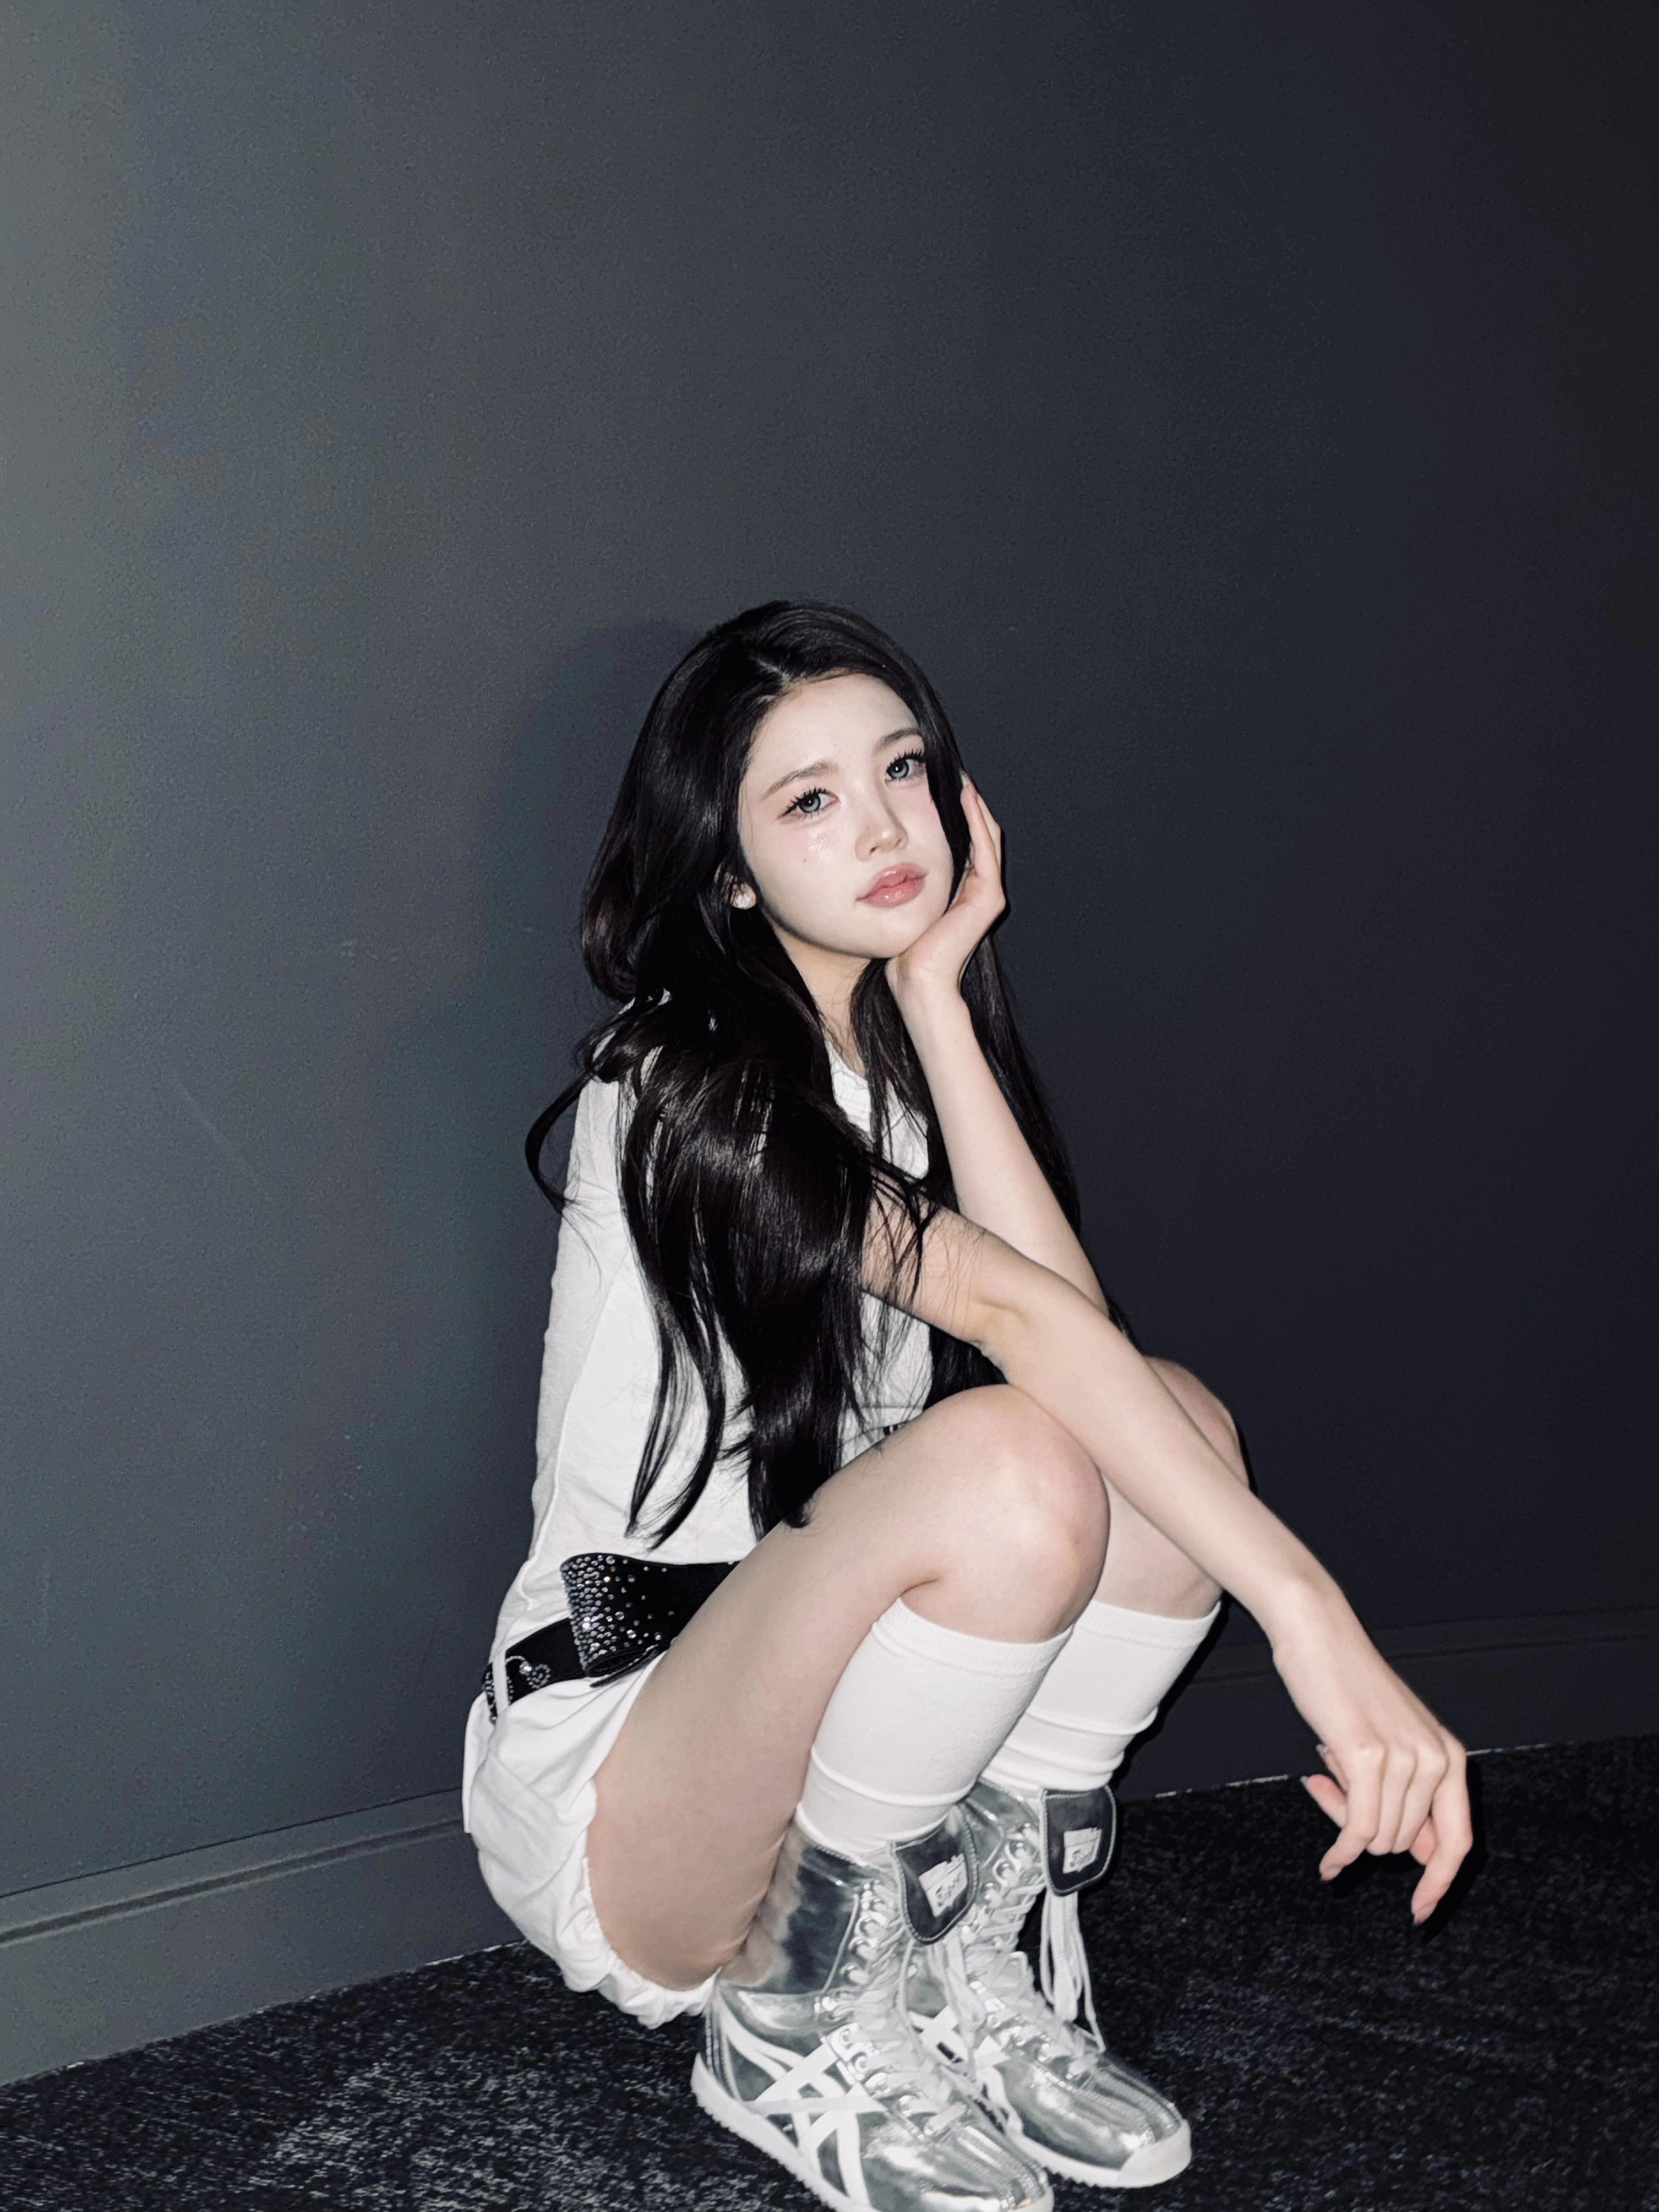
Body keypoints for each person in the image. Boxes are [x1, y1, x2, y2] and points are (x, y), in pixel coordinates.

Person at [462, 601, 1471, 2209]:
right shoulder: (681, 1086)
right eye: (810, 800)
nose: (884, 827)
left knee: (1173, 1428)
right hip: (635, 1759)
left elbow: (1082, 1344)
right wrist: (1313, 1621)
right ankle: (788, 2022)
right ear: (729, 871)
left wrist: (937, 995)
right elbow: (1015, 1321)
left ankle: (954, 1957)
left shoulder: (886, 1069)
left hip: (821, 1693)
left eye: (902, 769)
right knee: (1015, 1459)